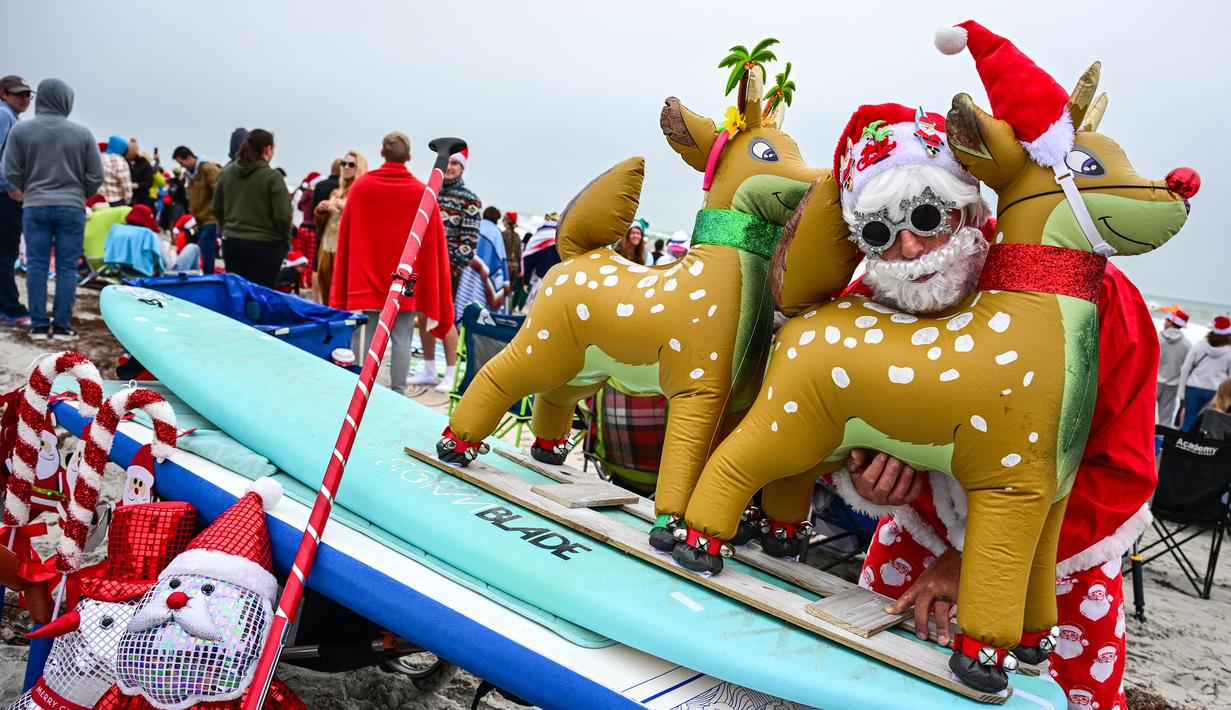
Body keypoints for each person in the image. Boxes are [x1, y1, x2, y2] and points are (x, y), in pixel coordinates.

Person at [825, 102, 1156, 710]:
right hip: (917, 534)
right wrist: (860, 480)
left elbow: (1119, 469)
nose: (907, 248)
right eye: (878, 232)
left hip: (1055, 561)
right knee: (861, 690)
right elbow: (831, 412)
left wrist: (973, 560)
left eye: (928, 219)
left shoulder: (1097, 302)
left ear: (971, 211)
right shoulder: (872, 295)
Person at [329, 132, 453, 394]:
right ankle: (397, 393)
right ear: (408, 157)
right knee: (402, 338)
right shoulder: (422, 193)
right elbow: (434, 244)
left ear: (382, 154)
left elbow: (346, 238)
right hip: (404, 280)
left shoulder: (361, 187)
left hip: (364, 279)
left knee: (363, 337)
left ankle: (359, 391)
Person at [0, 78, 103, 341]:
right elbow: (95, 175)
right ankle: (61, 326)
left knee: (36, 265)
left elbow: (9, 169)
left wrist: (28, 189)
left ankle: (37, 324)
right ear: (67, 100)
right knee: (67, 267)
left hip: (35, 205)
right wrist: (80, 193)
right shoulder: (82, 134)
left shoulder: (22, 131)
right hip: (71, 206)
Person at [409, 148, 476, 390]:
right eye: (446, 163)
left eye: (455, 164)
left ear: (462, 167)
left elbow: (469, 243)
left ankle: (450, 372)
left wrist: (451, 268)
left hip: (447, 269)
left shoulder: (469, 199)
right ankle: (428, 368)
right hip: (423, 264)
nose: (449, 167)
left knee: (445, 318)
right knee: (423, 314)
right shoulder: (430, 193)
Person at [212, 129, 291, 288]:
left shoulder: (226, 173)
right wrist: (284, 239)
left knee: (237, 293)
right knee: (261, 296)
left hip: (232, 242)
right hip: (266, 245)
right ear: (267, 149)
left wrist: (229, 226)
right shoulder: (272, 177)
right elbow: (282, 216)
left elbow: (216, 208)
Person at [313, 150, 367, 306]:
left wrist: (346, 208)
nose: (346, 167)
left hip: (346, 251)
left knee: (342, 298)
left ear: (359, 167)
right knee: (326, 293)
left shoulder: (360, 192)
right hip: (327, 248)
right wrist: (321, 210)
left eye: (351, 164)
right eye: (344, 163)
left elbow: (363, 221)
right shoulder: (336, 191)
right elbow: (322, 223)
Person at [0, 75, 33, 326]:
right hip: (5, 197)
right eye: (18, 93)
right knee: (6, 252)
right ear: (3, 93)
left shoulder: (10, 117)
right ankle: (11, 308)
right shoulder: (4, 116)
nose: (25, 98)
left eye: (27, 94)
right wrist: (9, 185)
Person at [172, 145, 221, 275]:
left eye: (181, 162)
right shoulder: (191, 173)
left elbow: (218, 191)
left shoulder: (207, 169)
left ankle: (208, 277)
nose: (182, 166)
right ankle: (205, 275)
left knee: (207, 249)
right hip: (200, 219)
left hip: (210, 218)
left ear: (188, 158)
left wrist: (213, 211)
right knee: (203, 249)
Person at [1176, 316, 1231, 431]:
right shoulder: (1229, 351)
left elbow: (1186, 368)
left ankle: (1182, 446)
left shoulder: (1200, 345)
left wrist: (1181, 392)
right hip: (1215, 391)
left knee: (1188, 421)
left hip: (1193, 387)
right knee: (1207, 424)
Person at [454, 205, 510, 318]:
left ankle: (459, 322)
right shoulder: (496, 233)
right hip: (483, 279)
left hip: (466, 271)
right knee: (477, 303)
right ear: (497, 219)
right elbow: (500, 261)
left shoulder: (476, 226)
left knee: (462, 298)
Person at [1157, 310, 1192, 425]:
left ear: (1172, 322)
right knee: (1165, 418)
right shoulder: (1187, 344)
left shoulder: (1157, 337)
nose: (1164, 323)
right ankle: (1159, 441)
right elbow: (1188, 367)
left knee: (1142, 414)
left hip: (1153, 382)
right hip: (1172, 385)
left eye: (1166, 320)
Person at [100, 135, 132, 207]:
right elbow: (126, 184)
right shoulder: (119, 161)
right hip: (116, 201)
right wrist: (127, 200)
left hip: (99, 202)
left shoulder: (100, 158)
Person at [501, 211, 524, 311]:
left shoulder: (502, 234)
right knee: (510, 290)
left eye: (504, 218)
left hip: (504, 265)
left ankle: (500, 309)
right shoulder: (518, 236)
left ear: (507, 221)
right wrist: (520, 269)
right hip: (515, 266)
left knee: (501, 289)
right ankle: (508, 310)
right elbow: (519, 254)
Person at [126, 138, 155, 209]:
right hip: (129, 199)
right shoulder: (127, 163)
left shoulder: (145, 165)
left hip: (142, 200)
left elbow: (149, 182)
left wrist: (137, 185)